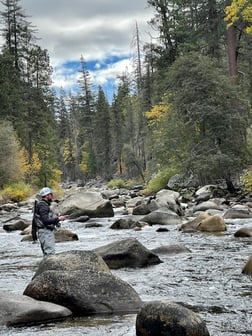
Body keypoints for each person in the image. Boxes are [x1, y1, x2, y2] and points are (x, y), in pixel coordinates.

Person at [34, 187, 66, 257]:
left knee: (47, 254)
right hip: (45, 232)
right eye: (51, 194)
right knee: (50, 254)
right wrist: (58, 219)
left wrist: (57, 219)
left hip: (43, 232)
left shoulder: (43, 204)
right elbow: (45, 221)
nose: (52, 196)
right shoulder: (43, 206)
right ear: (47, 195)